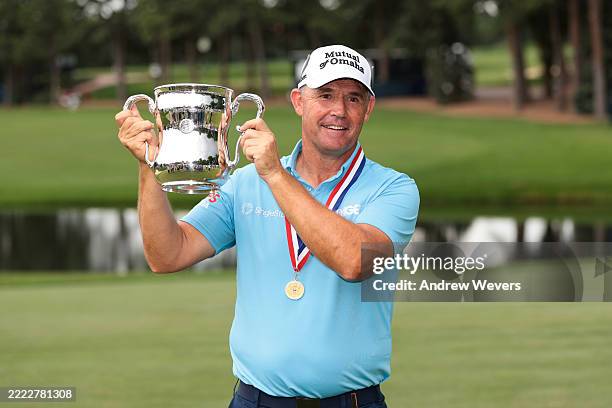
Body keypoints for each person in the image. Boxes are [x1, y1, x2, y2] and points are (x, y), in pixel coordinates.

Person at [115, 44, 419, 408]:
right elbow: (167, 254)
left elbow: (355, 261)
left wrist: (275, 174)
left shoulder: (394, 188)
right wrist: (149, 165)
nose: (339, 110)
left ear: (368, 109)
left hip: (353, 402)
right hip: (255, 400)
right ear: (298, 101)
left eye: (353, 98)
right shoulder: (245, 183)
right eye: (325, 95)